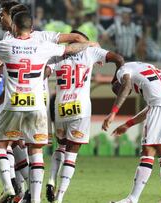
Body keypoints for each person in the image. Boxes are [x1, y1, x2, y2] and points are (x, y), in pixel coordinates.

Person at [0, 11, 94, 203]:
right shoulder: (43, 46)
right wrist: (89, 45)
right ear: (31, 28)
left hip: (13, 105)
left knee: (0, 145)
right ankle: (35, 199)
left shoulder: (6, 45)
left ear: (14, 27)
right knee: (36, 152)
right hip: (36, 108)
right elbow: (69, 50)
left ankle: (9, 187)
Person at [45, 30, 124, 203]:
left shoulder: (57, 54)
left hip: (60, 106)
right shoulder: (91, 51)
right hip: (80, 108)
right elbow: (119, 59)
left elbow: (43, 73)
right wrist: (115, 81)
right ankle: (59, 198)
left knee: (61, 146)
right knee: (72, 153)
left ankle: (51, 179)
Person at [103, 61, 161, 203]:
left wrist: (113, 113)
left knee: (148, 151)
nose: (126, 92)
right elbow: (153, 105)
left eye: (121, 90)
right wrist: (128, 124)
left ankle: (132, 199)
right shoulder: (146, 67)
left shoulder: (122, 71)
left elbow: (127, 86)